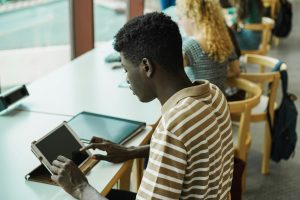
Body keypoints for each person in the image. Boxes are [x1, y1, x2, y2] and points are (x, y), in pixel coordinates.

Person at [50, 12, 234, 200]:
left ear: (146, 66)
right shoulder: (212, 93)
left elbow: (175, 141)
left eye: (126, 69)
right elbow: (192, 153)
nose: (127, 78)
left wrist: (81, 187)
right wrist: (132, 151)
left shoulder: (173, 127)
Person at [176, 0, 240, 93]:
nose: (179, 22)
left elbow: (173, 78)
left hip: (197, 105)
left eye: (180, 18)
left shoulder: (189, 47)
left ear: (193, 17)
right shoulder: (224, 40)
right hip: (220, 104)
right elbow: (236, 71)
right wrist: (217, 75)